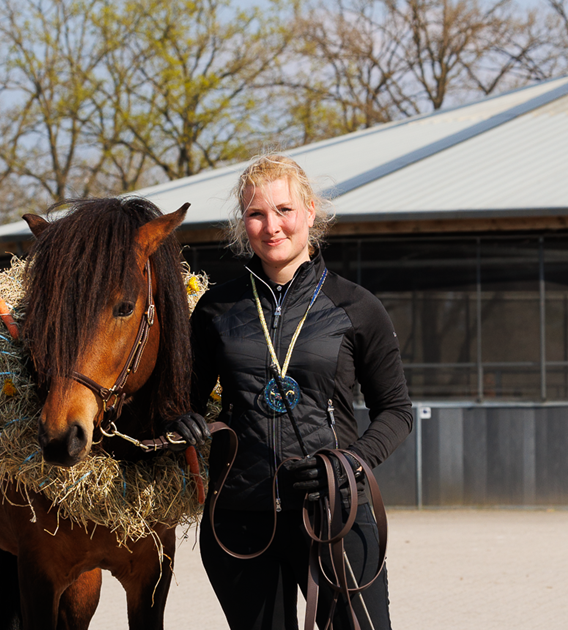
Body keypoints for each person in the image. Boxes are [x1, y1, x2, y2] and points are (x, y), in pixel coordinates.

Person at [170, 153, 413, 630]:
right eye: (256, 213)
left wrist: (350, 464)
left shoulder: (356, 306)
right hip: (239, 516)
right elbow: (185, 402)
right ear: (244, 222)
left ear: (309, 213)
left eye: (283, 210)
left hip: (335, 511)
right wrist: (179, 419)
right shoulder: (217, 309)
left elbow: (396, 411)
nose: (271, 226)